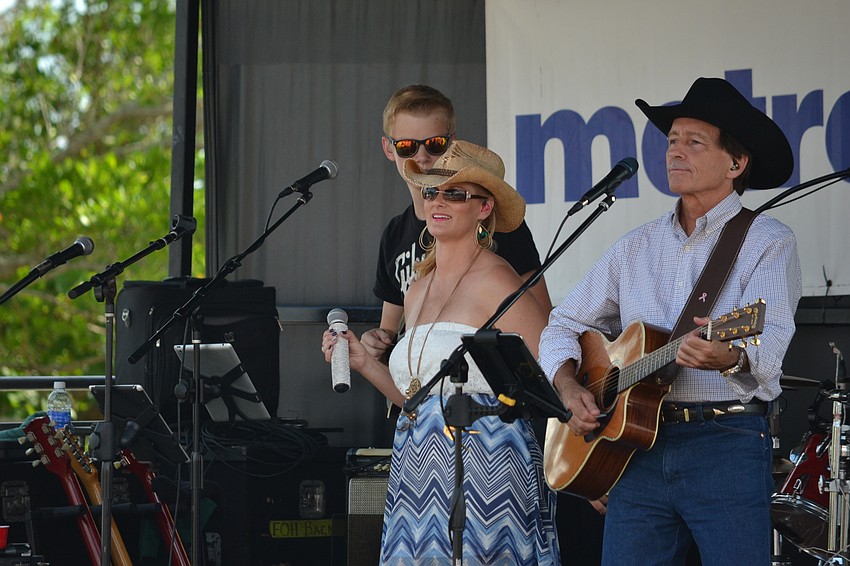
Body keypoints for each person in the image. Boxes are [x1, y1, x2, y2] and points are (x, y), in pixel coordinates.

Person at [539, 77, 802, 565]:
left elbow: (768, 353)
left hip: (724, 444)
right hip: (636, 453)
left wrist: (729, 355)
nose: (674, 152)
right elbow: (562, 324)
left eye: (694, 142)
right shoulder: (633, 247)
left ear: (736, 163)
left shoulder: (768, 240)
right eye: (672, 141)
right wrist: (570, 387)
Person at [323, 140, 560, 564]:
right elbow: (415, 400)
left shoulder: (499, 281)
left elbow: (553, 380)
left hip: (488, 464)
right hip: (416, 466)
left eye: (455, 193)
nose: (438, 201)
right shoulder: (415, 289)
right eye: (432, 192)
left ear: (484, 209)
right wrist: (362, 362)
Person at [361, 85, 551, 362]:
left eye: (434, 144)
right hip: (414, 388)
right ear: (388, 149)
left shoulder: (499, 229)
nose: (422, 157)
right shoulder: (394, 235)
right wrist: (373, 343)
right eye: (406, 147)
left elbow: (543, 333)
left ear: (452, 142)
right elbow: (388, 333)